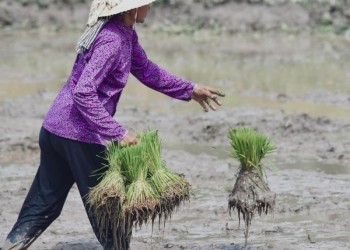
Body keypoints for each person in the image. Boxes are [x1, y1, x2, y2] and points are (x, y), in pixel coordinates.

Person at [1, 0, 224, 249]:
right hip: (79, 135)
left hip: (55, 129)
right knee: (111, 214)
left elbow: (147, 70)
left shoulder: (124, 34)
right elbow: (84, 92)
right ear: (131, 8)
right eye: (146, 4)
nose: (150, 8)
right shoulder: (112, 41)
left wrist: (190, 89)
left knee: (43, 205)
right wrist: (117, 132)